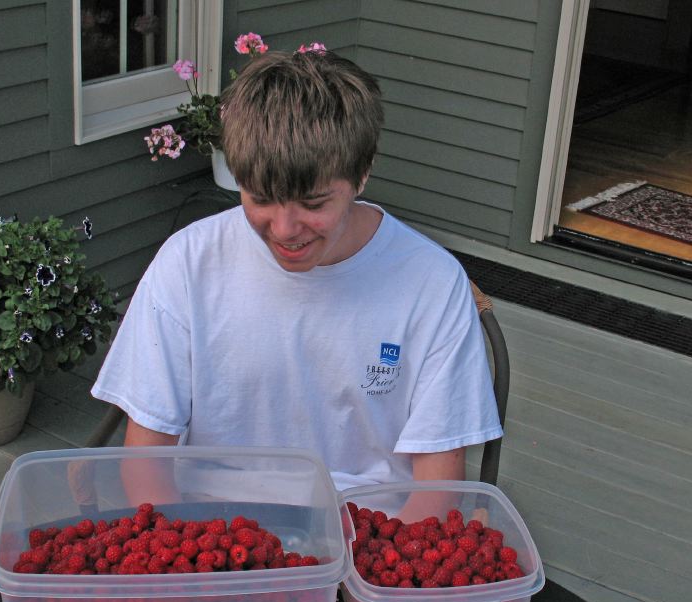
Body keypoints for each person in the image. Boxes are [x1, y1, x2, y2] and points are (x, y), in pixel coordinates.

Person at [91, 48, 502, 504]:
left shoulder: (433, 284)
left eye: (313, 203)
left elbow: (435, 496)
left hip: (368, 530)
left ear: (362, 174)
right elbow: (147, 465)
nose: (285, 230)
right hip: (208, 526)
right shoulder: (189, 262)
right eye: (261, 198)